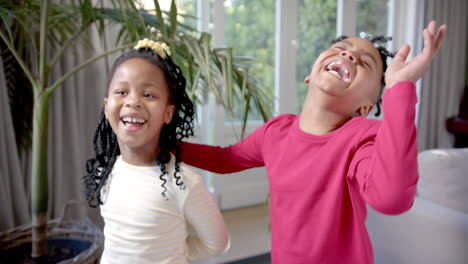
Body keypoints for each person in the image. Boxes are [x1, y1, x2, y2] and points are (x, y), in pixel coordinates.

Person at [177, 21, 447, 263]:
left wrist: (399, 87)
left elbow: (391, 200)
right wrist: (163, 144)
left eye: (365, 63)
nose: (348, 54)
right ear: (310, 74)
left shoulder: (363, 137)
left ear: (365, 107)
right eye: (341, 47)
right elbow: (224, 159)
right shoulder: (275, 132)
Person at [83, 38, 230, 264]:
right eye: (121, 92)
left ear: (168, 114)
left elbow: (217, 243)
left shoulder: (184, 184)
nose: (133, 101)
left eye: (149, 95)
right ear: (106, 105)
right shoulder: (106, 170)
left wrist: (175, 253)